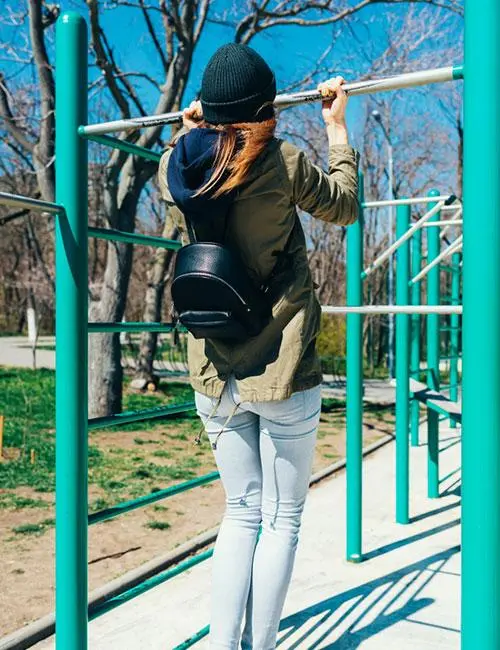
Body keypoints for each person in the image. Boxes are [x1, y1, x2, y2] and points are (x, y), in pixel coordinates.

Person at [158, 42, 359, 650]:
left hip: (212, 360)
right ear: (263, 110)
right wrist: (337, 128)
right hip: (280, 361)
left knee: (240, 512)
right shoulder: (284, 161)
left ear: (210, 111)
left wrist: (189, 131)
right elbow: (345, 205)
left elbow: (189, 168)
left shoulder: (182, 165)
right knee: (282, 518)